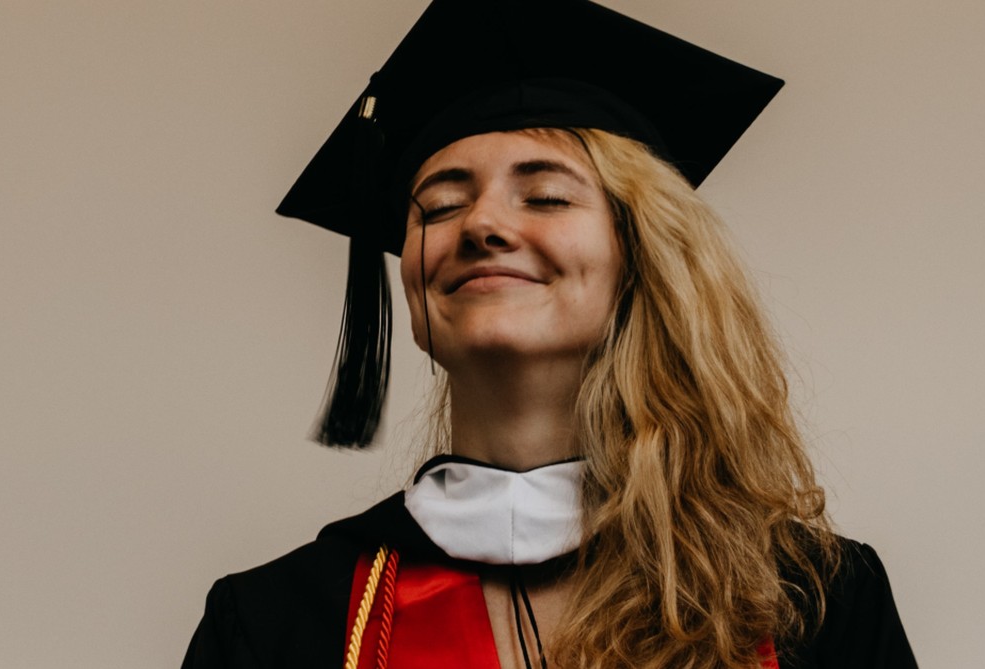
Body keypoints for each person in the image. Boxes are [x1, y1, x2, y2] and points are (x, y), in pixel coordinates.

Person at [182, 0, 916, 667]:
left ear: (642, 259)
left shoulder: (808, 604)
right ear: (411, 282)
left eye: (546, 195)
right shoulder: (280, 623)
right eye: (437, 205)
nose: (482, 225)